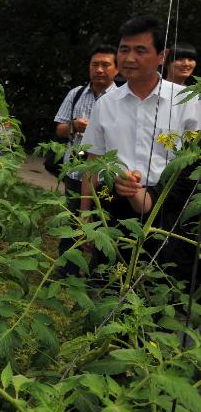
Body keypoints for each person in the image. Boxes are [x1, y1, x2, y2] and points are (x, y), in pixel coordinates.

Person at [81, 16, 201, 263]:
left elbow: (194, 162)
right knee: (109, 283)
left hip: (170, 209)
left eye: (140, 50)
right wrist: (86, 218)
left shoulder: (187, 100)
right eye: (124, 50)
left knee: (164, 284)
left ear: (161, 56)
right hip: (115, 208)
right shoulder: (106, 103)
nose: (129, 58)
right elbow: (92, 163)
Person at [53, 45, 119, 268]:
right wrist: (74, 126)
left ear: (117, 70)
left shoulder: (122, 99)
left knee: (104, 223)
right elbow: (59, 129)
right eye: (95, 65)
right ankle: (67, 270)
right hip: (74, 169)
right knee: (73, 219)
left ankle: (96, 273)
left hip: (106, 174)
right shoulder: (76, 93)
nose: (99, 69)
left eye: (106, 65)